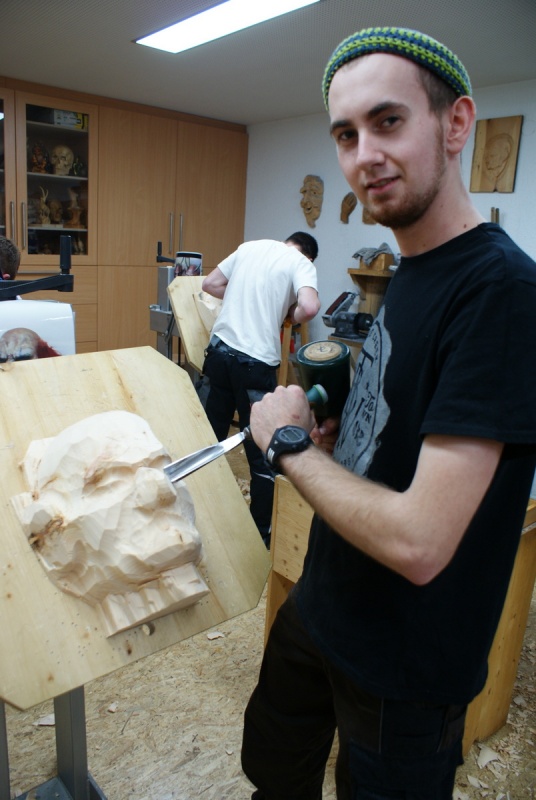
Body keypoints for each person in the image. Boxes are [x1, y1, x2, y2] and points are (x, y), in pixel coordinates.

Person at [241, 27, 536, 799]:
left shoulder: (503, 292)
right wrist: (341, 439)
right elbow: (399, 437)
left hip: (405, 665)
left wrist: (289, 445)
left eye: (388, 121)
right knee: (274, 773)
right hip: (324, 603)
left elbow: (420, 542)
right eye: (346, 134)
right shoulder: (412, 270)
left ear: (456, 123)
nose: (364, 154)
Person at [199, 232, 320, 546]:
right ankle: (260, 535)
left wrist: (242, 299)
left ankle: (197, 518)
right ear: (308, 257)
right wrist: (288, 314)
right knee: (262, 451)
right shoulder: (301, 264)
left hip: (219, 353)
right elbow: (309, 307)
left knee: (206, 440)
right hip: (254, 365)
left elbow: (210, 284)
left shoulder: (250, 247)